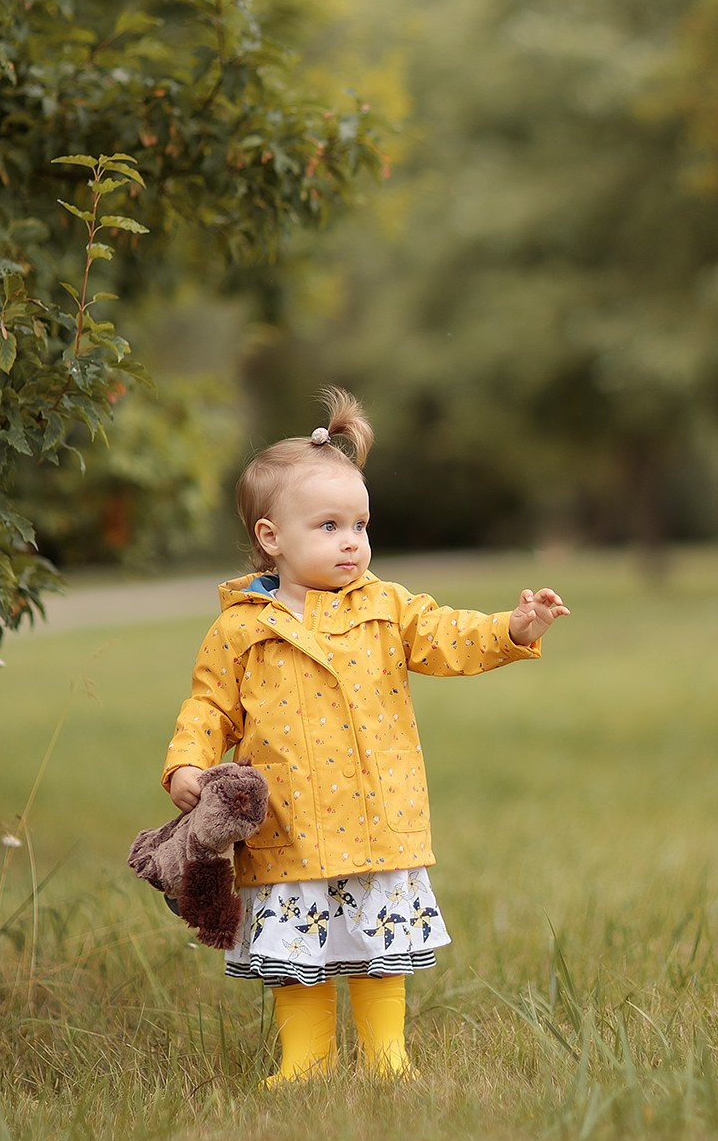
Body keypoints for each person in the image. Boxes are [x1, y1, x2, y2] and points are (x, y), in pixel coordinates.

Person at [161, 387, 570, 1084]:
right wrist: (187, 768)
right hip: (288, 823)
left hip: (377, 813)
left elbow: (448, 637)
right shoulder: (242, 628)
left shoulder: (385, 607)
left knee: (380, 939)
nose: (352, 540)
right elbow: (209, 707)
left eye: (361, 524)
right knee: (300, 947)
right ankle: (306, 1059)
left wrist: (511, 629)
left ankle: (387, 1056)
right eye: (328, 526)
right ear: (272, 538)